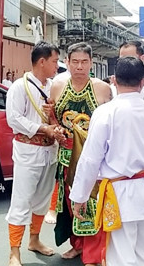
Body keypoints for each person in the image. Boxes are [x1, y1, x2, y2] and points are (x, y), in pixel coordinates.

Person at [69, 57, 144, 266]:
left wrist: (80, 195)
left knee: (120, 256)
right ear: (143, 82)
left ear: (114, 81)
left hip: (118, 194)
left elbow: (90, 159)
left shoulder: (105, 112)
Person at [50, 42, 112, 266]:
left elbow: (111, 122)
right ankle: (78, 245)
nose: (79, 67)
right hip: (66, 155)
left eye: (84, 62)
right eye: (74, 62)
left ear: (91, 63)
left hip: (94, 157)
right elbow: (53, 118)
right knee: (70, 202)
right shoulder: (57, 85)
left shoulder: (102, 88)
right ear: (67, 62)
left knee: (93, 202)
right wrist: (55, 128)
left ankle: (93, 253)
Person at [5, 41, 65, 266]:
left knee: (41, 201)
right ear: (42, 61)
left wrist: (53, 121)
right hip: (28, 151)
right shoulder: (19, 87)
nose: (56, 66)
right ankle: (14, 251)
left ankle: (34, 240)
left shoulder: (54, 86)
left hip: (49, 151)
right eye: (54, 61)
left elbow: (58, 116)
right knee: (21, 202)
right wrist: (43, 128)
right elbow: (14, 119)